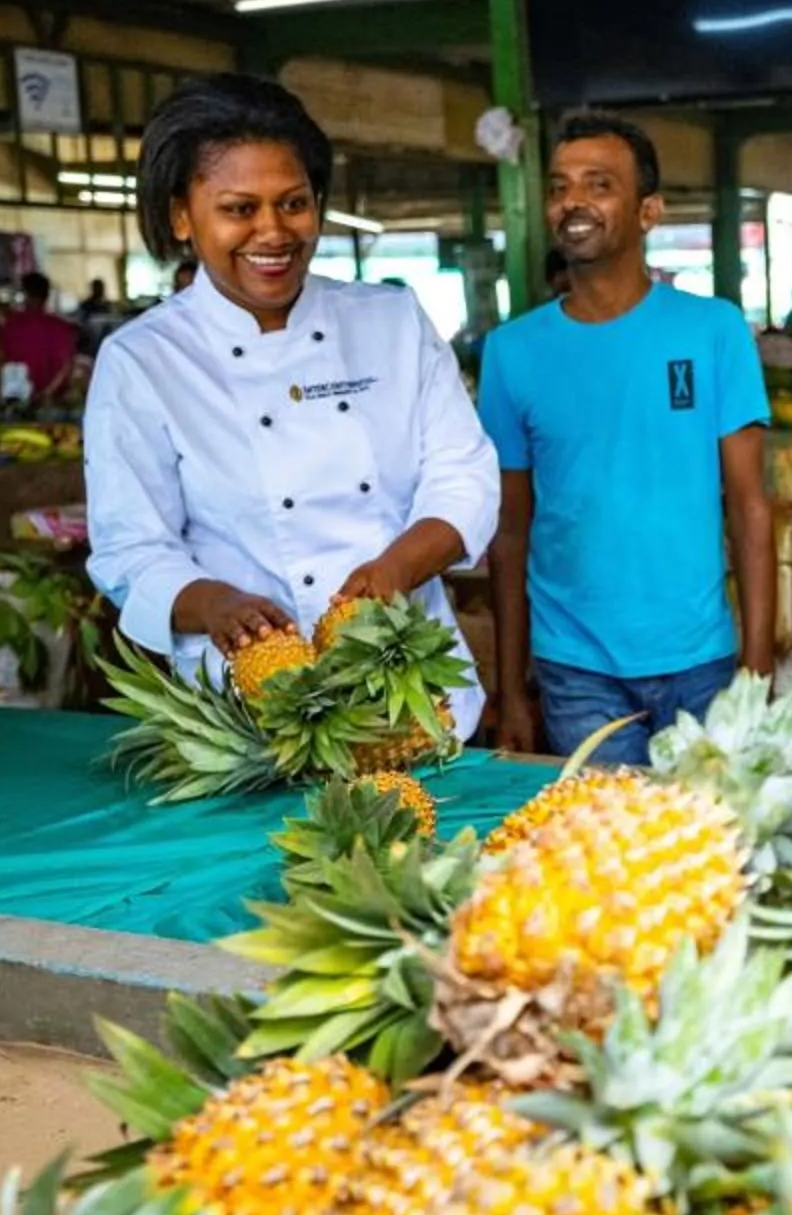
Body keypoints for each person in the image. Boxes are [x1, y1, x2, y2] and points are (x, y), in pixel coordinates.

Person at [84, 73, 497, 737]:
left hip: (411, 694)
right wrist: (213, 603)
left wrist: (398, 567)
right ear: (180, 216)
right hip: (249, 711)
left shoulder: (389, 320)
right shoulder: (143, 361)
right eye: (239, 209)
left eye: (294, 204)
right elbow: (129, 547)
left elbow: (464, 474)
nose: (273, 232)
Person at [480, 112, 776, 765]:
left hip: (705, 660)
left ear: (649, 211)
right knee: (610, 859)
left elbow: (751, 507)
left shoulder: (714, 331)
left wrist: (758, 665)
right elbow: (508, 532)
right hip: (575, 667)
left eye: (598, 184)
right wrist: (509, 691)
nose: (573, 202)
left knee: (715, 850)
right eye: (559, 187)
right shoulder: (511, 352)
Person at [0, 272, 82, 403]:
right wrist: (47, 394)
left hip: (16, 400)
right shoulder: (61, 327)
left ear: (24, 294)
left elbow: (2, 361)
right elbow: (67, 366)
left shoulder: (11, 325)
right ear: (47, 295)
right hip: (51, 403)